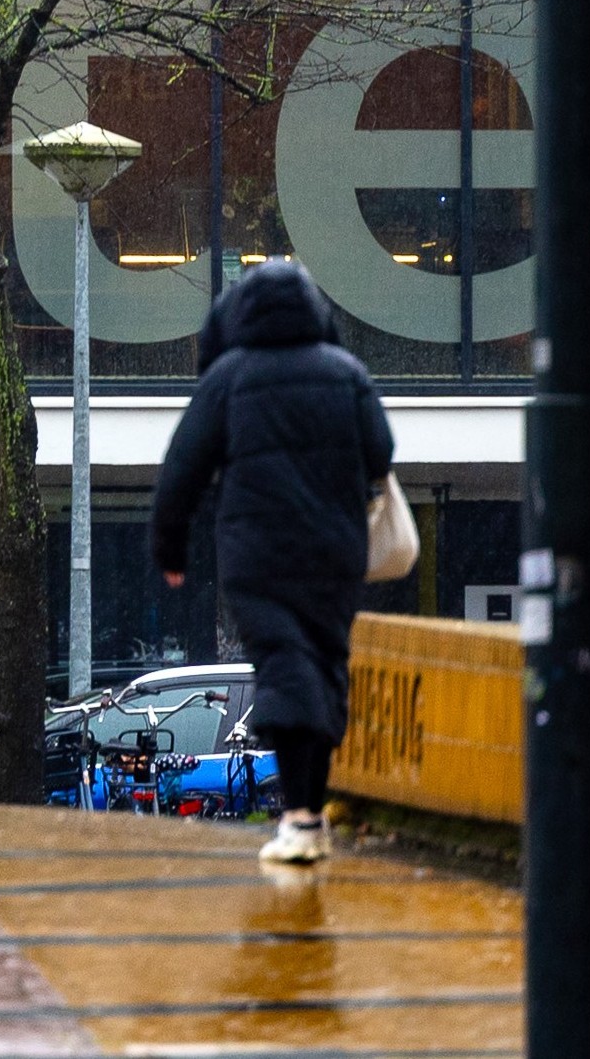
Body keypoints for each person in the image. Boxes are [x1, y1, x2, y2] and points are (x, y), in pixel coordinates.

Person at [152, 258, 391, 867]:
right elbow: (380, 451)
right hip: (334, 552)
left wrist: (170, 548)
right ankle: (311, 809)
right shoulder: (347, 372)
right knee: (325, 664)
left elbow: (182, 467)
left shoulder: (230, 377)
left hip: (257, 556)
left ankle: (300, 817)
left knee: (284, 666)